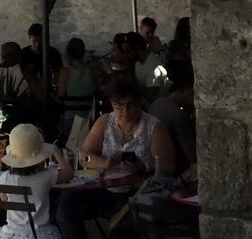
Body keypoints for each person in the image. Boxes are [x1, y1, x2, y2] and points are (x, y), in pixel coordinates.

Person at [56, 76, 176, 239]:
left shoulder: (153, 127)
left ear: (138, 102)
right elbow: (84, 155)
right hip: (104, 190)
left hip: (135, 193)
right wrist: (106, 163)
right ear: (112, 103)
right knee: (68, 202)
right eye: (119, 105)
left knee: (124, 229)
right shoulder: (106, 121)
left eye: (130, 105)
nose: (125, 112)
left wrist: (142, 167)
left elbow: (167, 170)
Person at [0, 122, 73, 239]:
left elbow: (4, 199)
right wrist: (56, 152)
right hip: (39, 234)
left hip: (11, 234)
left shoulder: (6, 177)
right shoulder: (46, 176)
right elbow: (68, 174)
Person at [148, 61, 196, 176]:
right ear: (187, 90)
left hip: (155, 164)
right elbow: (191, 156)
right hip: (176, 170)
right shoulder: (178, 116)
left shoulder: (156, 104)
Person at [57, 37, 97, 141]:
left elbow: (61, 95)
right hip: (88, 120)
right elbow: (96, 90)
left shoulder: (65, 72)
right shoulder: (91, 71)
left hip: (70, 122)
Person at [19, 23, 63, 95]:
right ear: (29, 39)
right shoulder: (23, 54)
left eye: (40, 41)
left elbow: (59, 73)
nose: (37, 45)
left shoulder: (53, 53)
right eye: (34, 41)